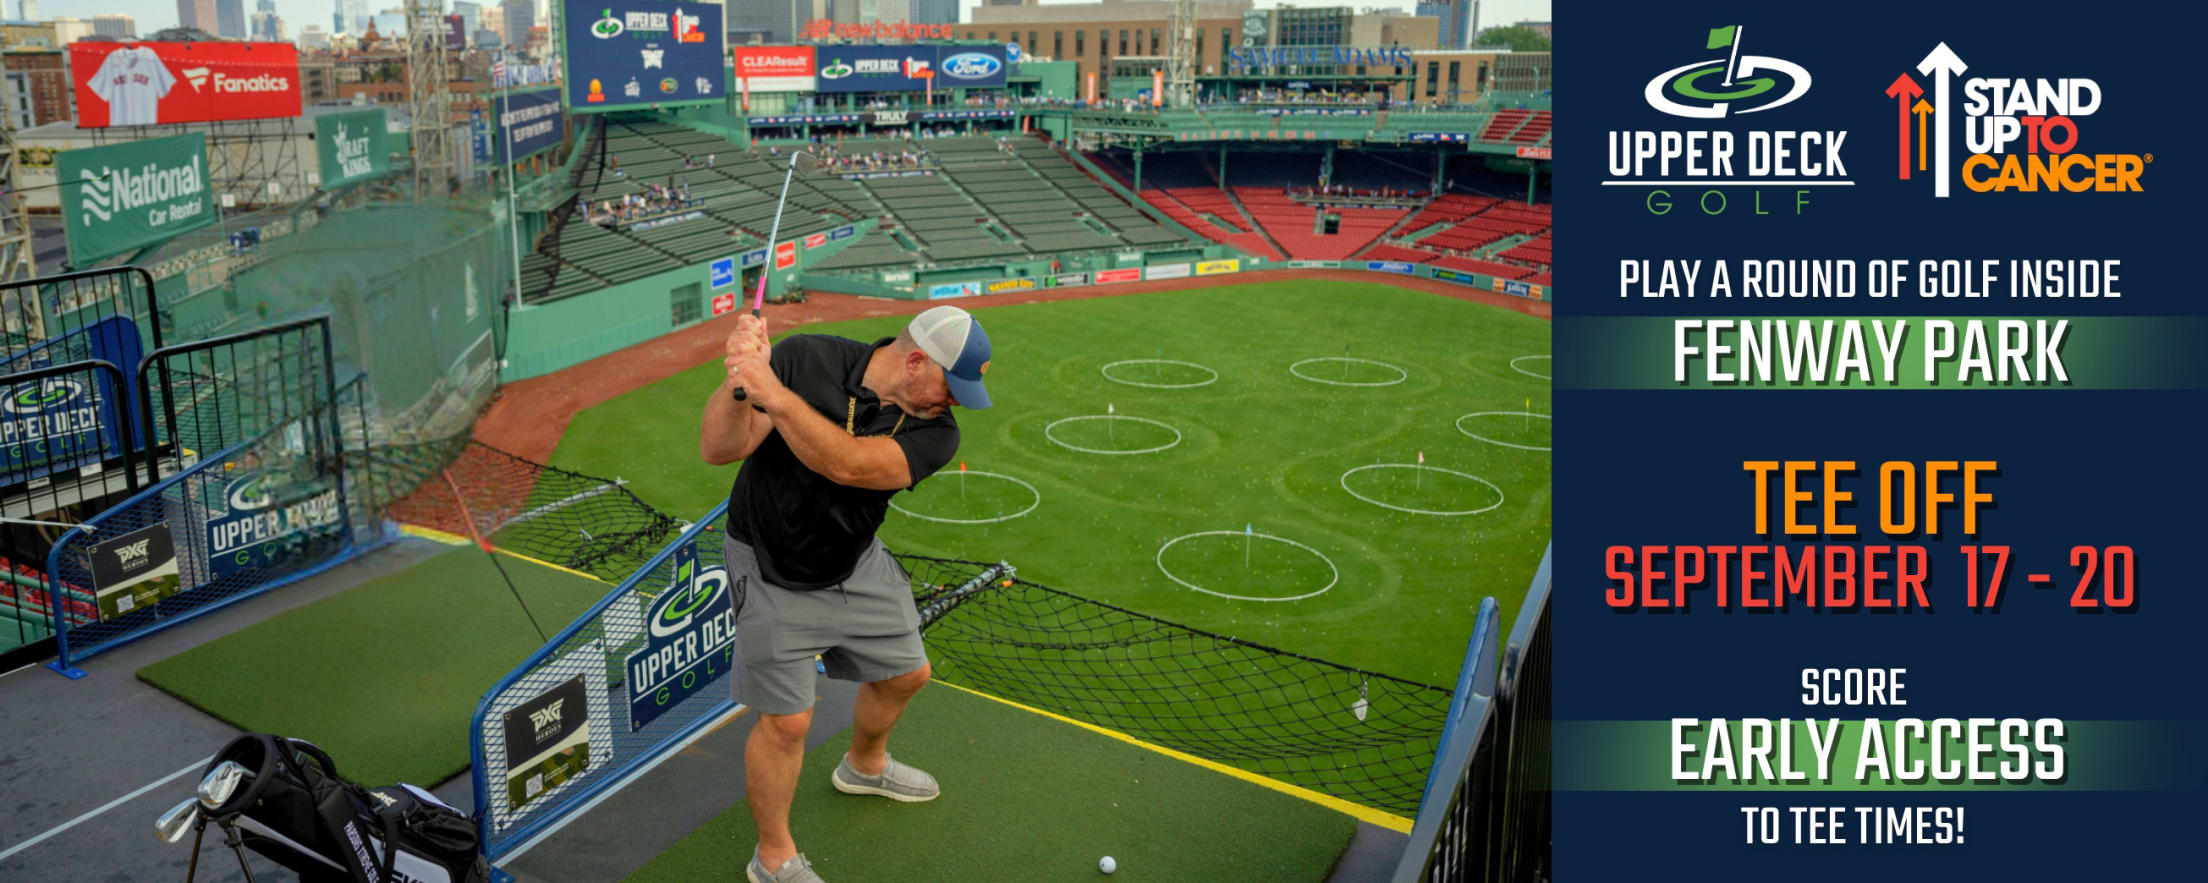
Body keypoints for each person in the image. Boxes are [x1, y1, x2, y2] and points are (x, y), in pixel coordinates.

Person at [700, 306, 996, 883]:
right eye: (951, 387)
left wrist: (778, 398)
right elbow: (719, 449)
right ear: (915, 361)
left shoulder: (937, 430)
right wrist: (741, 384)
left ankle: (864, 765)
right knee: (787, 724)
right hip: (770, 565)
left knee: (907, 674)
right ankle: (773, 855)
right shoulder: (806, 357)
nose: (955, 402)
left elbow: (851, 467)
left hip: (854, 562)